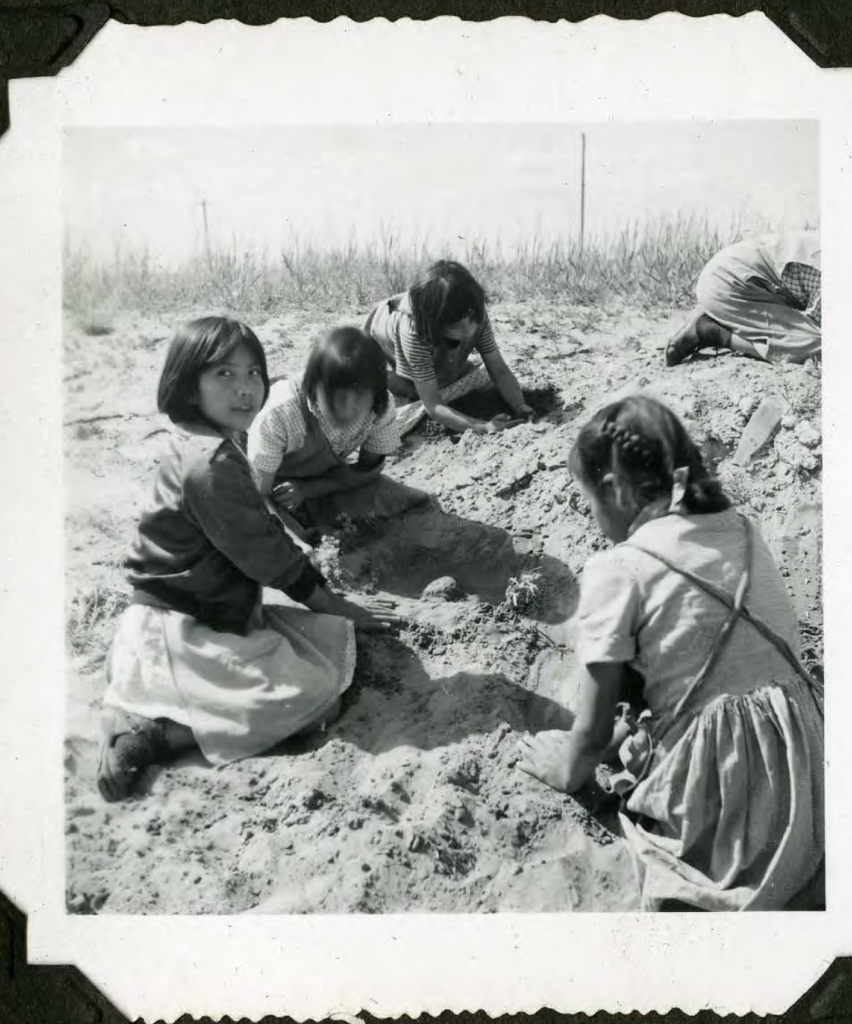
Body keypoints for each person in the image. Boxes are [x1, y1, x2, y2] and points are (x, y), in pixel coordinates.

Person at [517, 395, 824, 911]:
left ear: (614, 490)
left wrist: (563, 770)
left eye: (589, 500)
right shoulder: (744, 530)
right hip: (808, 769)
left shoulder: (618, 568)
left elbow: (587, 738)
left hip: (731, 802)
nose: (593, 517)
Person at [96, 316, 399, 802]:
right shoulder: (211, 465)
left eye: (253, 373)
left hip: (204, 609)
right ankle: (159, 736)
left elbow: (259, 536)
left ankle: (162, 711)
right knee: (314, 697)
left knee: (320, 643)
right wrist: (336, 604)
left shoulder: (206, 442)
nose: (245, 389)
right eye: (224, 375)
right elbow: (268, 558)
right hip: (178, 625)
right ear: (187, 384)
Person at [247, 325, 428, 527]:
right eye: (336, 397)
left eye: (359, 397)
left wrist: (307, 490)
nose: (347, 408)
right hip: (269, 487)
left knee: (397, 495)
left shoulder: (381, 407)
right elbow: (256, 495)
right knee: (274, 533)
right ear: (314, 386)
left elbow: (367, 471)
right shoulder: (279, 415)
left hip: (324, 481)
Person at [363, 259, 533, 435]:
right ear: (434, 323)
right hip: (383, 362)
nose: (468, 329)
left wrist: (520, 405)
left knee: (485, 380)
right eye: (456, 326)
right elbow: (434, 405)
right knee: (397, 418)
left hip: (437, 352)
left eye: (473, 318)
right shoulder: (414, 331)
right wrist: (483, 427)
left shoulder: (474, 312)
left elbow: (498, 369)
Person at [665, 230, 821, 366]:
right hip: (729, 284)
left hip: (727, 273)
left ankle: (720, 316)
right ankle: (714, 333)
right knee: (822, 347)